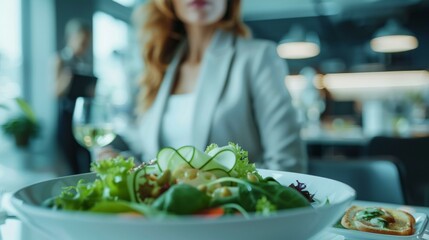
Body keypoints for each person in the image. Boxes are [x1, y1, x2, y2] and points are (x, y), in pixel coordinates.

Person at [118, 0, 307, 173]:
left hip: (233, 208)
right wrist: (125, 163)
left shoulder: (258, 57)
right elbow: (153, 159)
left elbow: (288, 164)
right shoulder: (161, 68)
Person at [55, 19, 96, 174]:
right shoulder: (60, 59)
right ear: (72, 38)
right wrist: (68, 78)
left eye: (87, 43)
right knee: (72, 166)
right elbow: (55, 93)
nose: (85, 46)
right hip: (67, 119)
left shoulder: (85, 62)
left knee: (88, 162)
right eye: (82, 42)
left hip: (84, 119)